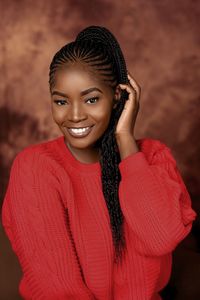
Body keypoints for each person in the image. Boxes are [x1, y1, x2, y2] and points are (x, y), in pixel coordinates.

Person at [1, 25, 197, 300]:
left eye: (91, 99)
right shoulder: (36, 167)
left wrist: (125, 138)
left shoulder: (152, 158)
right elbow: (57, 289)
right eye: (61, 102)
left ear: (118, 96)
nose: (75, 115)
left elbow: (160, 238)